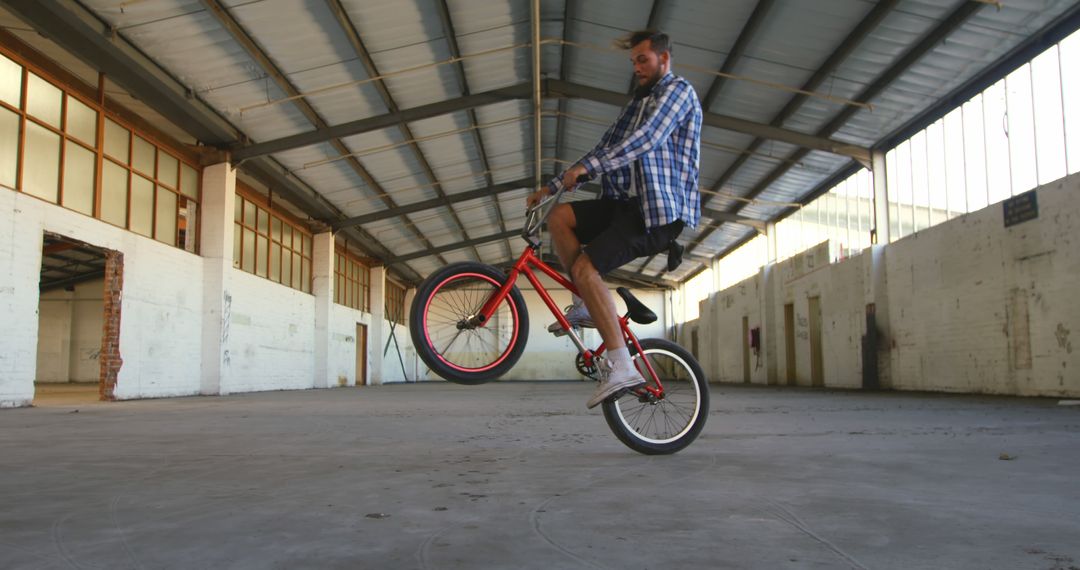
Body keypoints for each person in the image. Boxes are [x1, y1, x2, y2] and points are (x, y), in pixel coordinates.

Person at [526, 29, 703, 408]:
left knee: (588, 268)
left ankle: (622, 365)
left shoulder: (678, 93)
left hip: (659, 214)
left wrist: (589, 168)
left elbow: (647, 139)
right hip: (628, 205)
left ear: (664, 59)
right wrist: (552, 185)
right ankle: (587, 303)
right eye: (634, 61)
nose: (637, 68)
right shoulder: (638, 103)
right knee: (559, 217)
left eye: (644, 60)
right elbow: (607, 145)